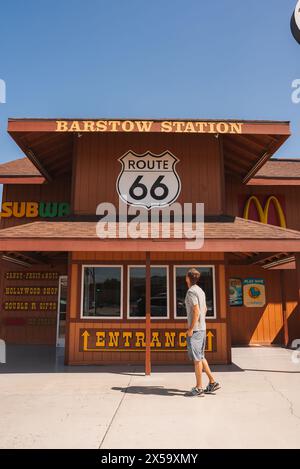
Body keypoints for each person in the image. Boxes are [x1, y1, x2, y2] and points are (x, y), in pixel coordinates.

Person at [185, 268, 220, 397]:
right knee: (200, 356)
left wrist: (191, 329)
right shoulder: (200, 291)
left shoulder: (191, 292)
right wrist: (201, 322)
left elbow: (197, 311)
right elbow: (204, 309)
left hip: (196, 331)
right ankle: (212, 382)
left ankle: (199, 387)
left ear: (188, 278)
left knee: (197, 360)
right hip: (203, 328)